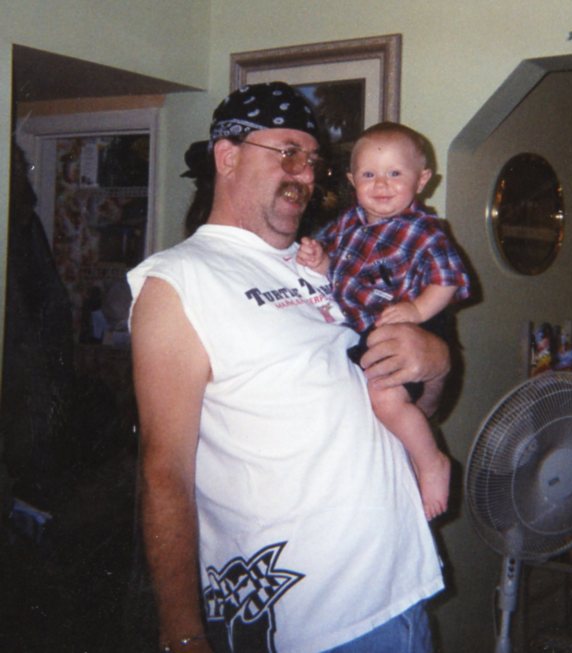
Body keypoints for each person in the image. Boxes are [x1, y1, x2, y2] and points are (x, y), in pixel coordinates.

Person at [128, 82, 450, 653]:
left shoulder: (324, 263)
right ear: (227, 156)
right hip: (313, 622)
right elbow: (164, 471)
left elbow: (409, 406)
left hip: (402, 585)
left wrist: (436, 365)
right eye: (288, 153)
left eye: (313, 160)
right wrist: (181, 633)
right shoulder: (178, 283)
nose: (305, 174)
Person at [297, 122, 470, 520]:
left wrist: (416, 311)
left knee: (385, 397)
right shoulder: (348, 223)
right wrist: (320, 261)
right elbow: (336, 268)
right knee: (366, 399)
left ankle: (431, 462)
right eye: (369, 174)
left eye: (395, 173)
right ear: (351, 181)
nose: (381, 185)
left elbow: (448, 281)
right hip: (367, 329)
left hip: (414, 324)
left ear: (422, 180)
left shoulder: (425, 231)